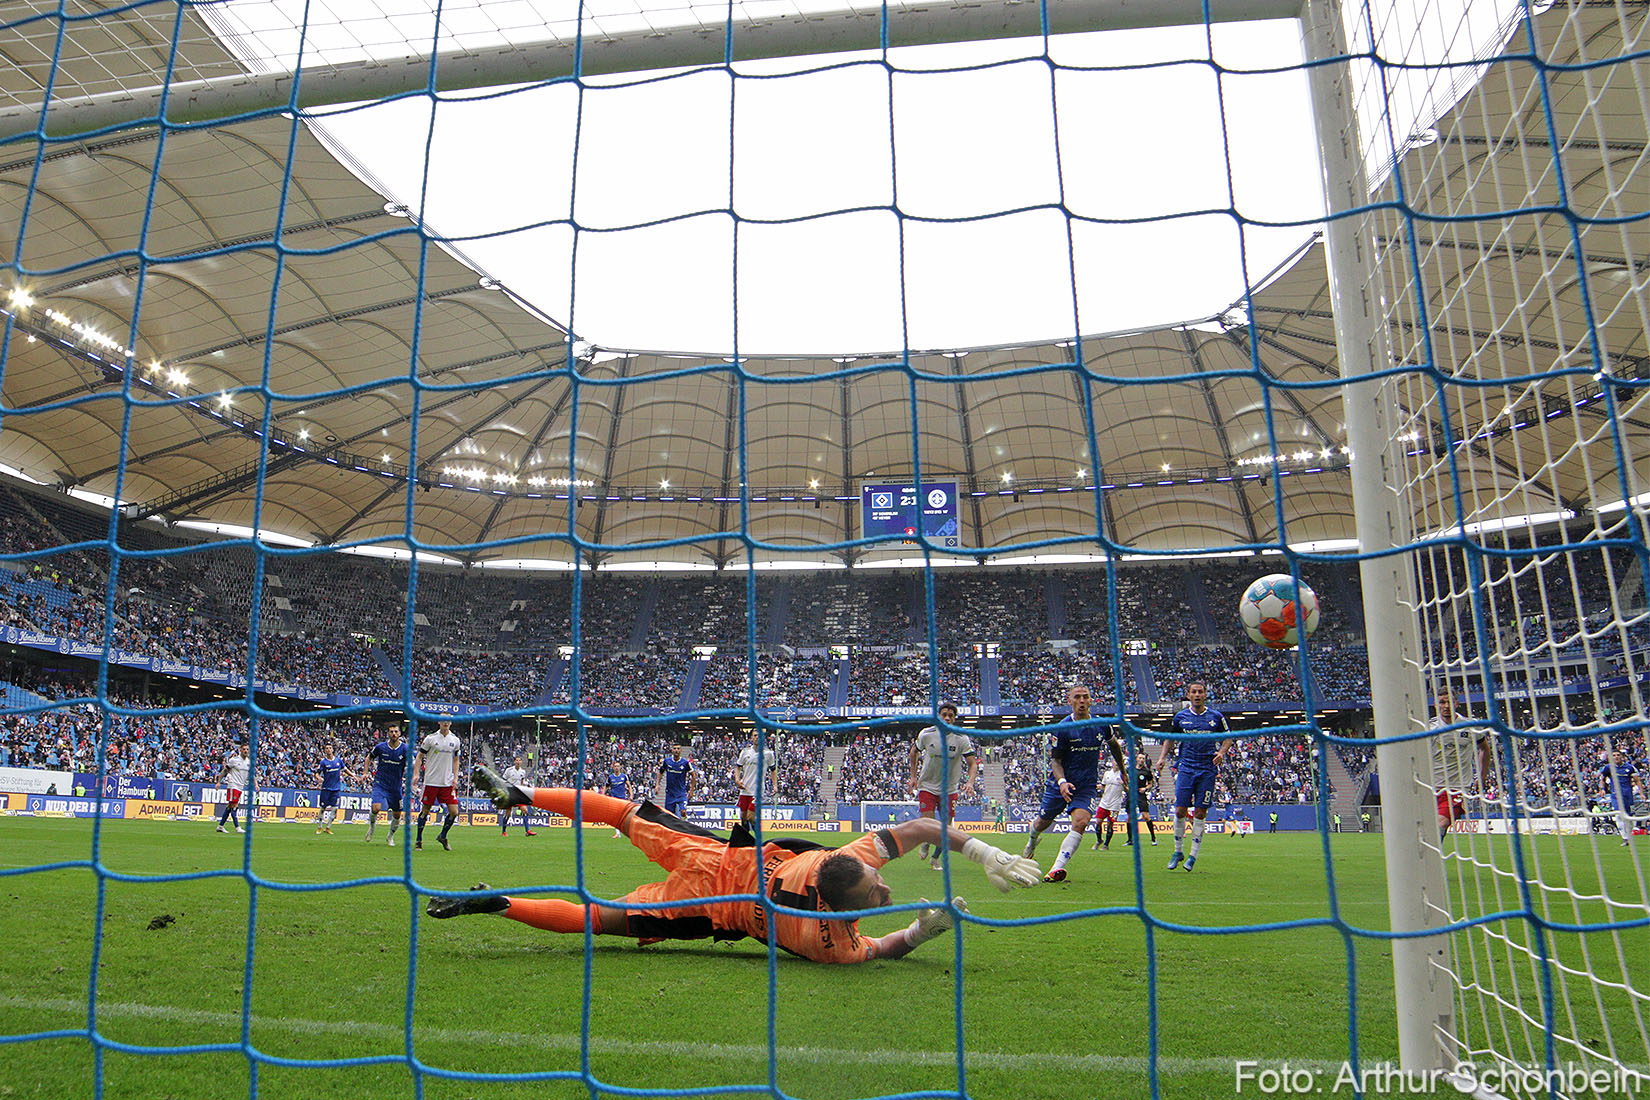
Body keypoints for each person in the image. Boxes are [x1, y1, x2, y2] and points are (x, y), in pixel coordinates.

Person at [430, 765, 1043, 964]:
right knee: (600, 921)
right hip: (702, 911)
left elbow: (915, 829)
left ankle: (525, 795)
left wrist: (982, 850)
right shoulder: (822, 941)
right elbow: (878, 950)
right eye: (881, 885)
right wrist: (921, 931)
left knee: (621, 812)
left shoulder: (841, 860)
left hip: (714, 857)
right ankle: (503, 903)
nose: (886, 880)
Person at [1021, 684, 1127, 883]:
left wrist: (1123, 769)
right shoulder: (1062, 728)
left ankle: (1056, 869)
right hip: (1058, 785)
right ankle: (1032, 842)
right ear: (1070, 701)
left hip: (1085, 786)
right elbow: (1056, 761)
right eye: (1077, 697)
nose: (1081, 701)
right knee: (1042, 823)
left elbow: (1114, 745)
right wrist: (1062, 782)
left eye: (1085, 697)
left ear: (1091, 700)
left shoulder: (1102, 725)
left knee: (1081, 822)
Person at [1157, 682, 1233, 872]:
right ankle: (1178, 851)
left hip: (1207, 770)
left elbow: (1229, 737)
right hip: (1186, 768)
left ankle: (1193, 855)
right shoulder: (1181, 717)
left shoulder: (1216, 717)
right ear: (1188, 695)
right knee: (1180, 810)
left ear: (1205, 695)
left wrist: (1222, 752)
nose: (1197, 695)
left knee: (1200, 813)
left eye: (1200, 692)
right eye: (1194, 692)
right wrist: (1162, 758)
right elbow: (1170, 738)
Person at [909, 701, 979, 868]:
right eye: (944, 715)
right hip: (927, 786)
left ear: (954, 719)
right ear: (939, 716)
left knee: (946, 830)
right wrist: (913, 777)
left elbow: (972, 763)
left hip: (949, 788)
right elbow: (914, 752)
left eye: (951, 716)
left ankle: (935, 858)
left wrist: (970, 782)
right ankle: (926, 841)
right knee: (930, 827)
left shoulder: (961, 738)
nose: (947, 718)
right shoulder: (927, 734)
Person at [1430, 689, 1491, 840]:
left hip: (1457, 786)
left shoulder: (1470, 726)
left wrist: (1481, 777)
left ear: (1457, 703)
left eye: (1449, 702)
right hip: (1431, 786)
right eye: (1442, 702)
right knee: (1427, 828)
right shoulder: (1429, 728)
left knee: (1441, 823)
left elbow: (1484, 748)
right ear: (1435, 705)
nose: (1446, 706)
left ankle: (1432, 857)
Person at [413, 719, 462, 851]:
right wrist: (416, 773)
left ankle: (443, 836)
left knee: (454, 812)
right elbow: (419, 756)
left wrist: (455, 777)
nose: (446, 723)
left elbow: (456, 759)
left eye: (448, 721)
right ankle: (419, 840)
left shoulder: (455, 740)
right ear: (439, 722)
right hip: (431, 781)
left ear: (451, 723)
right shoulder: (430, 739)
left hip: (447, 782)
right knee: (425, 810)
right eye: (443, 721)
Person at [364, 727, 410, 845]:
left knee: (397, 814)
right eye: (391, 731)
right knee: (376, 808)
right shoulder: (381, 747)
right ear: (388, 733)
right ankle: (372, 827)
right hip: (380, 783)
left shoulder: (405, 748)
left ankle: (390, 836)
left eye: (396, 731)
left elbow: (412, 764)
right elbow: (369, 757)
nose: (394, 734)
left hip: (395, 786)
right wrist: (365, 772)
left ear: (399, 733)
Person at [733, 731, 777, 832]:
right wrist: (737, 780)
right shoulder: (745, 752)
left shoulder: (768, 754)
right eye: (755, 735)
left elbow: (773, 770)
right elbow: (738, 767)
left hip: (757, 791)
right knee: (743, 816)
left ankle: (758, 838)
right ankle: (746, 841)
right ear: (751, 738)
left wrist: (775, 785)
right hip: (744, 789)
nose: (757, 737)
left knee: (751, 817)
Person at [1600, 748, 1645, 846]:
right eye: (1614, 755)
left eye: (1618, 755)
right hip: (1615, 795)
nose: (1616, 757)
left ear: (1622, 756)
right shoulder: (1608, 768)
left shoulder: (1630, 767)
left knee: (1628, 817)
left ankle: (1629, 836)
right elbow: (1602, 779)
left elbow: (1637, 780)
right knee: (1618, 815)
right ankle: (1625, 838)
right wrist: (1602, 789)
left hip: (1627, 795)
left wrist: (1641, 793)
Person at [1090, 759, 1126, 851]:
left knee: (1110, 824)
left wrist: (1124, 785)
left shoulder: (1124, 775)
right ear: (1112, 762)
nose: (1116, 764)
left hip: (1115, 805)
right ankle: (1099, 840)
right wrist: (1097, 787)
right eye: (1115, 761)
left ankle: (1106, 844)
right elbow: (1103, 785)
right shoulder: (1107, 774)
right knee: (1098, 822)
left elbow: (1128, 790)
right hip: (1104, 802)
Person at [215, 739, 250, 834]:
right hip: (233, 784)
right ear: (240, 750)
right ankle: (237, 827)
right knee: (234, 805)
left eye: (247, 749)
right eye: (244, 749)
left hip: (240, 786)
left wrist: (255, 784)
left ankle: (220, 826)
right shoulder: (234, 760)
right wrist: (219, 782)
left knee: (230, 806)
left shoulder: (248, 762)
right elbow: (224, 771)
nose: (246, 751)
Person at [1127, 752, 1158, 847]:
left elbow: (1150, 783)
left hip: (1141, 795)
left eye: (1143, 758)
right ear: (1136, 759)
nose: (1141, 760)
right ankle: (1130, 840)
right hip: (1131, 794)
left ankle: (1153, 838)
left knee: (1146, 816)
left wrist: (1145, 788)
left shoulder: (1147, 771)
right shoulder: (1130, 769)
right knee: (1129, 817)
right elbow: (1124, 779)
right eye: (1140, 758)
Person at [315, 739, 344, 835]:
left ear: (332, 749)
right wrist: (319, 778)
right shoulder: (323, 762)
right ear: (324, 750)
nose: (328, 749)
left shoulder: (338, 760)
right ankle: (319, 827)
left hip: (336, 789)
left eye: (330, 748)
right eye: (326, 748)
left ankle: (328, 827)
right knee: (323, 808)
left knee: (335, 808)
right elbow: (317, 774)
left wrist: (353, 776)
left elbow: (345, 769)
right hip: (326, 788)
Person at [500, 756, 535, 836]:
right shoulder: (509, 770)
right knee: (508, 813)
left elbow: (522, 782)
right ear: (514, 762)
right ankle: (504, 831)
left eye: (520, 760)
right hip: (510, 793)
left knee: (525, 810)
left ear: (521, 762)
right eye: (517, 760)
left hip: (518, 794)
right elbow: (503, 780)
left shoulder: (523, 771)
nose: (518, 762)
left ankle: (528, 831)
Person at [659, 742, 694, 820]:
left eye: (678, 748)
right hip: (670, 793)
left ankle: (685, 821)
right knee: (669, 815)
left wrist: (691, 791)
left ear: (681, 750)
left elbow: (693, 775)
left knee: (683, 811)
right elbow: (660, 772)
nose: (676, 750)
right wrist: (657, 785)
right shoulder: (667, 761)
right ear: (672, 750)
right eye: (674, 748)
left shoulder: (685, 763)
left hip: (681, 793)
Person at [606, 760, 631, 839]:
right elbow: (606, 787)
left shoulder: (624, 776)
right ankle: (618, 833)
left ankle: (626, 830)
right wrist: (602, 795)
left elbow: (629, 786)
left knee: (623, 816)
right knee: (615, 816)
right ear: (613, 768)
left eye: (618, 766)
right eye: (615, 766)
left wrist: (631, 795)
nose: (616, 768)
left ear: (620, 767)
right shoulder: (610, 777)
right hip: (614, 798)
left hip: (622, 798)